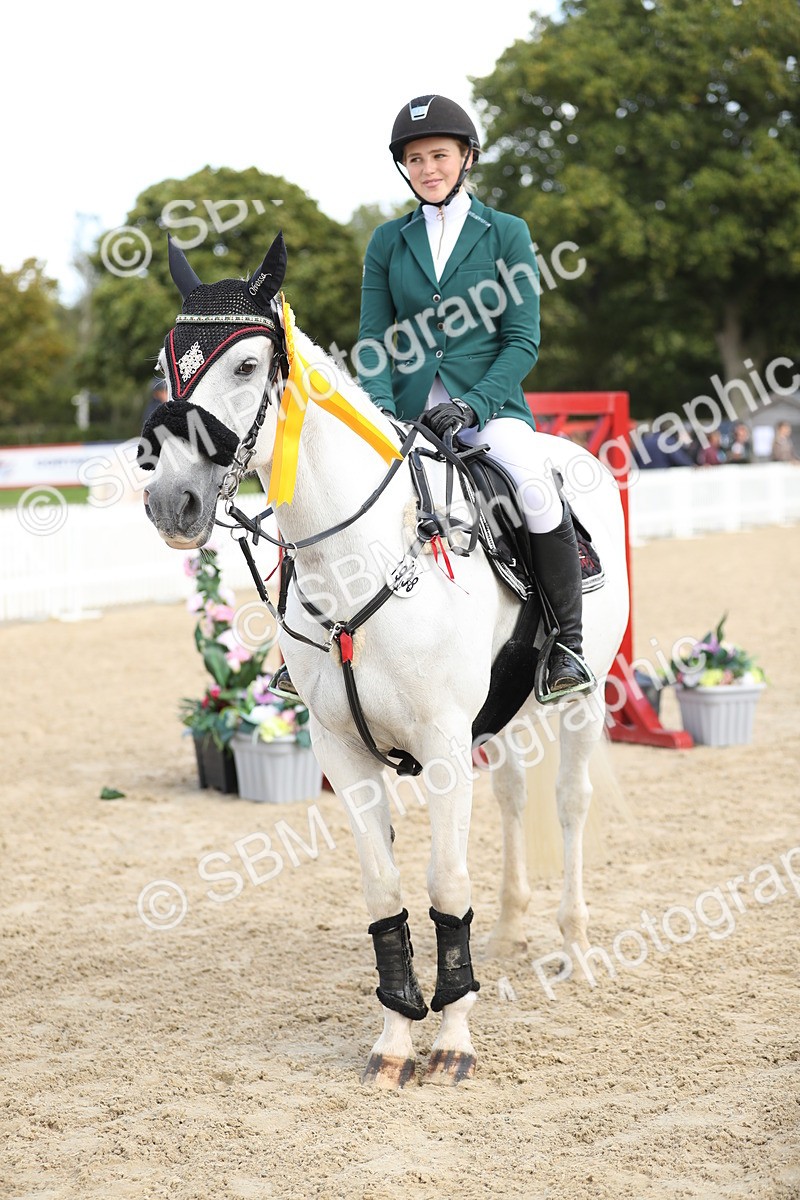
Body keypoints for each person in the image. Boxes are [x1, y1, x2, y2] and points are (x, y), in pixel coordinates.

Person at [354, 93, 592, 700]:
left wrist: (474, 405)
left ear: (466, 157)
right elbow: (373, 343)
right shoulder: (387, 241)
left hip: (486, 409)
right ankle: (313, 646)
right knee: (338, 495)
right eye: (414, 159)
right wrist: (379, 411)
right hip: (406, 414)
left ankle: (567, 643)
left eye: (438, 155)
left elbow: (521, 341)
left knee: (534, 488)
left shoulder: (506, 233)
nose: (427, 168)